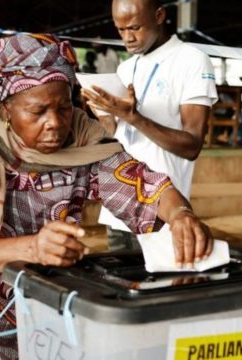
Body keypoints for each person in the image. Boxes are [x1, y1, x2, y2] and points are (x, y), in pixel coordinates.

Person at [0, 33, 213, 360]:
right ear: (5, 108)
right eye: (37, 111)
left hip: (52, 315)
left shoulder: (83, 138)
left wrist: (180, 214)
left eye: (63, 107)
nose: (55, 122)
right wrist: (34, 249)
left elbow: (141, 183)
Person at [82, 0, 217, 251]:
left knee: (164, 286)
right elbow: (117, 135)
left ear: (159, 15)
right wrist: (105, 116)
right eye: (120, 30)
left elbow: (192, 145)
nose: (127, 38)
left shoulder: (191, 61)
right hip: (118, 207)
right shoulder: (125, 67)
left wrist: (135, 117)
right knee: (123, 286)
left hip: (163, 211)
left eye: (134, 28)